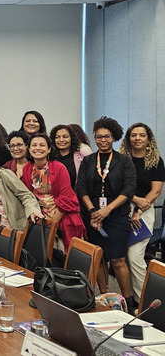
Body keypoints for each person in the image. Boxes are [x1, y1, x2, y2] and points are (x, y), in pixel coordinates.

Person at [75, 116, 135, 306]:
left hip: (116, 213)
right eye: (99, 137)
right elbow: (81, 188)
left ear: (114, 137)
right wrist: (94, 211)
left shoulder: (124, 161)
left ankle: (128, 301)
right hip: (93, 214)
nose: (102, 140)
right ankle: (105, 297)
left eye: (107, 136)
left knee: (118, 259)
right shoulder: (88, 161)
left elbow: (129, 189)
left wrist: (107, 209)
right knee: (99, 257)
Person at [119, 123, 165, 302]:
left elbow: (156, 192)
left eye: (142, 135)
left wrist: (138, 209)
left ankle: (144, 300)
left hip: (144, 211)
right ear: (128, 138)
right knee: (121, 256)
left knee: (134, 256)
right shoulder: (121, 160)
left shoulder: (156, 161)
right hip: (121, 207)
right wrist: (134, 199)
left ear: (148, 139)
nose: (137, 138)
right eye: (133, 135)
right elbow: (117, 186)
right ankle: (128, 298)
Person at [21, 133, 85, 250]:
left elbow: (65, 199)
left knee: (63, 255)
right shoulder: (27, 169)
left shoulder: (59, 167)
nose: (38, 148)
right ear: (29, 149)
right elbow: (28, 196)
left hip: (61, 216)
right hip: (40, 219)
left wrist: (52, 225)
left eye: (42, 145)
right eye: (34, 145)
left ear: (49, 149)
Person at [50, 124, 91, 189]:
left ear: (71, 138)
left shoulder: (82, 156)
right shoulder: (50, 158)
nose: (61, 140)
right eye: (57, 137)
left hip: (78, 196)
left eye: (65, 137)